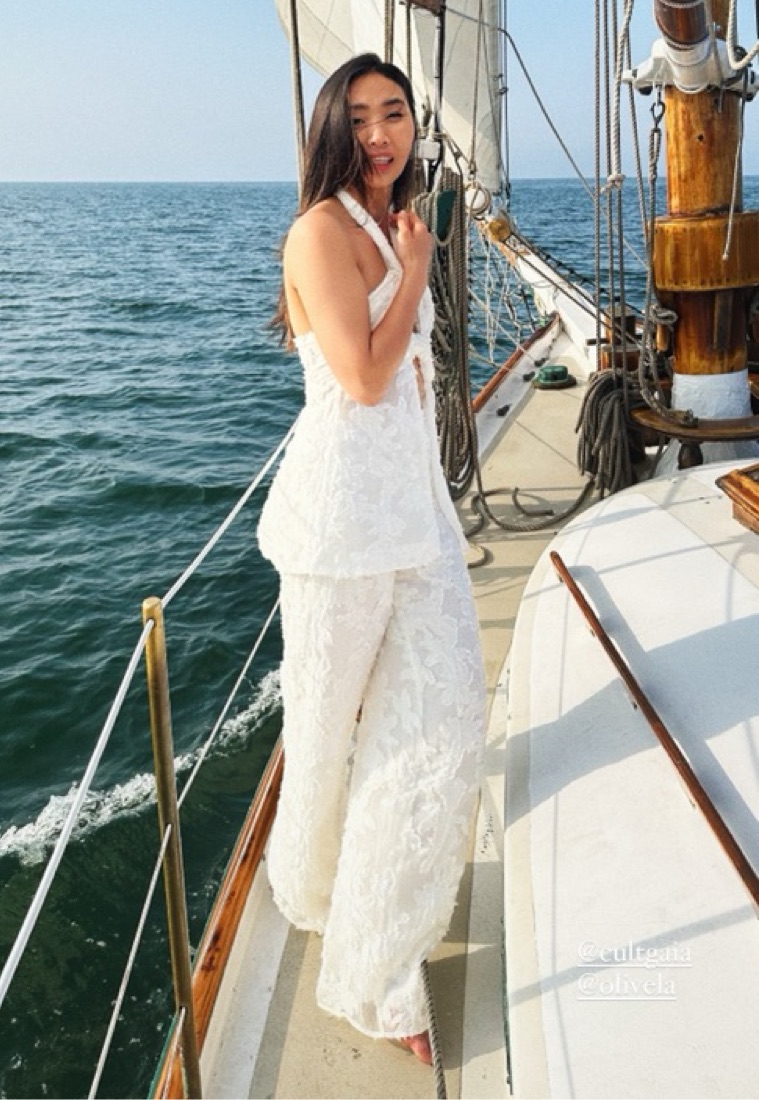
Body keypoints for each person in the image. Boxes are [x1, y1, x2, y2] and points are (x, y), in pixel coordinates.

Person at [257, 52, 486, 1066]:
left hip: (415, 514)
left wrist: (409, 253)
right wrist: (419, 268)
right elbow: (360, 377)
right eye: (359, 117)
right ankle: (315, 897)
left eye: (395, 112)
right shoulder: (320, 231)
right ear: (330, 129)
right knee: (321, 735)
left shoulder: (390, 223)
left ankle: (372, 953)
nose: (381, 132)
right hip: (341, 526)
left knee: (443, 721)